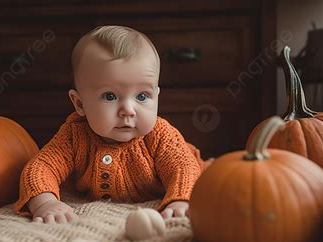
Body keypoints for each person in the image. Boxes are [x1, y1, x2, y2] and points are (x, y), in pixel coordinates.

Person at [14, 25, 209, 224]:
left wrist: (180, 201)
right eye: (110, 96)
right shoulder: (74, 135)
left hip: (200, 169)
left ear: (156, 96)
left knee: (215, 177)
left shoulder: (160, 136)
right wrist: (45, 203)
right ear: (80, 104)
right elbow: (40, 168)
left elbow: (184, 169)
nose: (128, 110)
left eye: (142, 96)